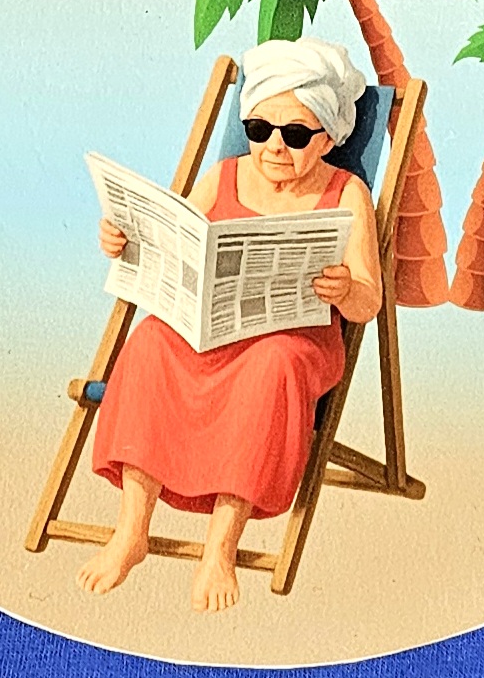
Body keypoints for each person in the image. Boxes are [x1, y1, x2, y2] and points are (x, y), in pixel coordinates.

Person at [82, 34, 384, 613]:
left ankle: (220, 548)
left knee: (271, 365)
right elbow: (174, 244)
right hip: (214, 331)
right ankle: (131, 531)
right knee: (149, 341)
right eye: (260, 129)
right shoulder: (223, 177)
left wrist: (346, 289)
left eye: (296, 135)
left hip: (292, 341)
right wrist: (124, 242)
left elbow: (369, 300)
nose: (275, 146)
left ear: (327, 138)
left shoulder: (347, 193)